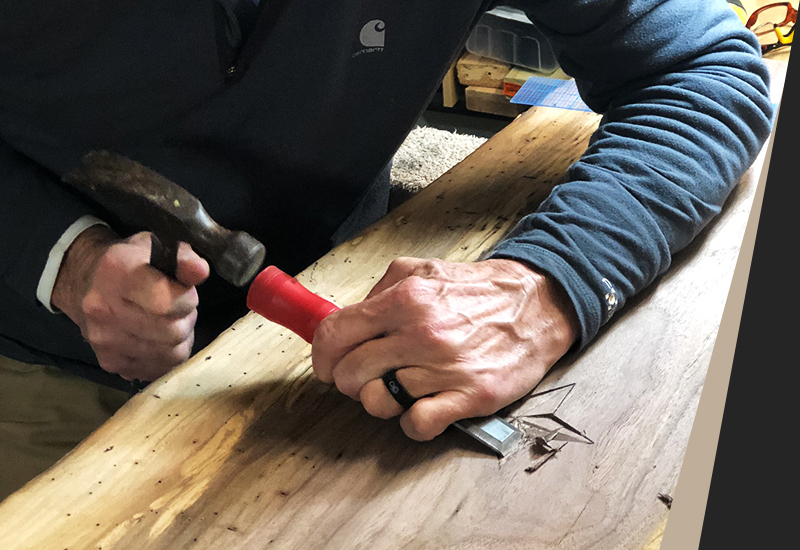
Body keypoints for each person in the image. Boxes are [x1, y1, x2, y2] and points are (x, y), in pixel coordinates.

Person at [0, 0, 774, 498]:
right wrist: (62, 262)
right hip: (41, 343)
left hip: (352, 304)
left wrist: (546, 286)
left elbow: (706, 67)